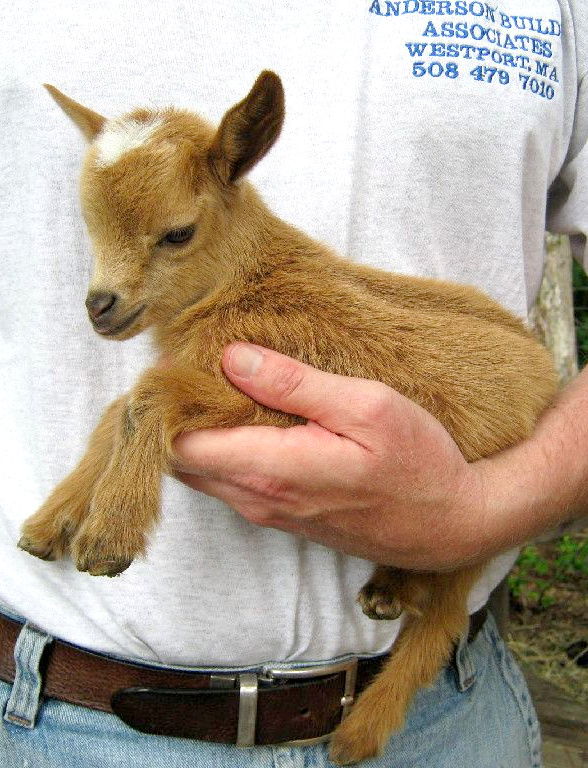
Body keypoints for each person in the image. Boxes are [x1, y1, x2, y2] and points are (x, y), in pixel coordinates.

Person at [0, 2, 586, 767]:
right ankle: (60, 519)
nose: (104, 291)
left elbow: (217, 400)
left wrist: (483, 512)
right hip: (69, 718)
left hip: (454, 722)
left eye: (174, 237)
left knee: (155, 401)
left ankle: (116, 527)